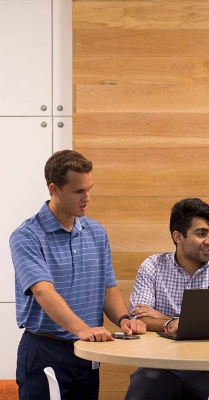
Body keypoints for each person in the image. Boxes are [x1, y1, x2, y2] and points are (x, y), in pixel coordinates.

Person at [9, 150, 146, 400]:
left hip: (87, 352)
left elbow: (107, 288)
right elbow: (42, 291)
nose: (87, 198)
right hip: (44, 350)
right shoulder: (27, 236)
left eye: (89, 188)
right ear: (54, 189)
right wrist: (82, 329)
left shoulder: (96, 231)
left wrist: (123, 318)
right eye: (78, 191)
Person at [124, 198, 209, 400]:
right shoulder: (152, 266)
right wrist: (172, 323)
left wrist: (166, 319)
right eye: (201, 233)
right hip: (161, 365)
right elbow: (138, 317)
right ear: (178, 236)